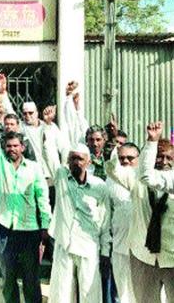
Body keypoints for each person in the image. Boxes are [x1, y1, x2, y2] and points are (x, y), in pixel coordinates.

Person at [0, 97, 51, 303]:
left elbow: (42, 197)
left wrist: (45, 226)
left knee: (31, 279)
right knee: (8, 279)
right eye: (9, 145)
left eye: (16, 145)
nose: (12, 149)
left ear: (22, 147)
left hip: (29, 230)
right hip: (5, 228)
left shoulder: (33, 168)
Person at [105, 121, 174, 303]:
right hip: (143, 256)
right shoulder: (137, 178)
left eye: (169, 158)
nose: (164, 162)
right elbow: (112, 169)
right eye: (159, 157)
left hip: (172, 257)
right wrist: (115, 148)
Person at [46, 142, 111, 303]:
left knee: (90, 293)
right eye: (72, 158)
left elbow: (105, 222)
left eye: (80, 159)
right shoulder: (61, 176)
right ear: (67, 161)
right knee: (61, 293)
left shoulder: (99, 186)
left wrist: (105, 252)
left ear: (89, 162)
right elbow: (48, 153)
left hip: (88, 245)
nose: (76, 162)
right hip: (64, 244)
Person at [106, 143, 140, 303]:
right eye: (121, 158)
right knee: (123, 293)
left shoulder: (146, 179)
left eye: (130, 158)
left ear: (139, 159)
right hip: (120, 246)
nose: (125, 161)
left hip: (144, 250)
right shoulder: (111, 180)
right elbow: (106, 214)